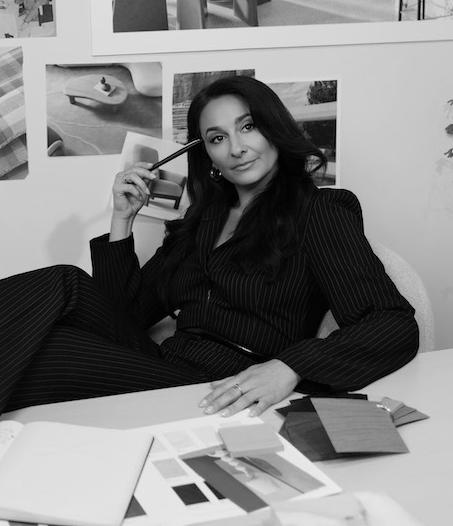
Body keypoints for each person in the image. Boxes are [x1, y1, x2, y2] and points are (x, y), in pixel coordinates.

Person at [0, 76, 419, 417]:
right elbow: (123, 317)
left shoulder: (319, 212)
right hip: (163, 366)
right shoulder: (201, 222)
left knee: (48, 352)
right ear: (208, 156)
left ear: (275, 129)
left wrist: (290, 367)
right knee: (66, 282)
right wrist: (122, 220)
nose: (236, 148)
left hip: (222, 387)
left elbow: (392, 323)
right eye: (217, 138)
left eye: (248, 127)